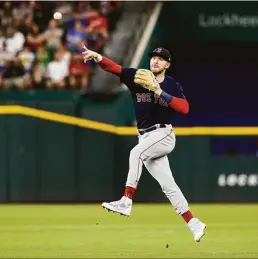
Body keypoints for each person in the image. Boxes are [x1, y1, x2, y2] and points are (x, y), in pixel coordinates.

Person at [82, 46, 207, 242]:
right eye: (153, 57)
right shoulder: (139, 76)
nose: (155, 61)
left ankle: (126, 200)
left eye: (160, 59)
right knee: (169, 186)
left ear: (167, 64)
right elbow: (114, 68)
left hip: (163, 134)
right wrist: (97, 57)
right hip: (145, 137)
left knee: (135, 154)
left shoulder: (171, 85)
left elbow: (184, 108)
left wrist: (158, 91)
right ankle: (194, 223)